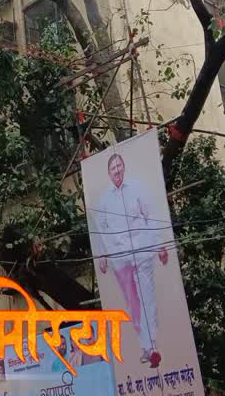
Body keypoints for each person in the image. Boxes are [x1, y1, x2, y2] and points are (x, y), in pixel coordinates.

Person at [91, 153, 170, 368]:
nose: (117, 170)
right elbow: (100, 230)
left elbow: (150, 217)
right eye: (113, 168)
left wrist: (160, 245)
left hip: (142, 252)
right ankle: (145, 346)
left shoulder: (137, 188)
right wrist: (103, 254)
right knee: (133, 303)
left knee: (147, 298)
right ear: (109, 173)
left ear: (123, 168)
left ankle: (151, 346)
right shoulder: (104, 200)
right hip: (121, 259)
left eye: (119, 166)